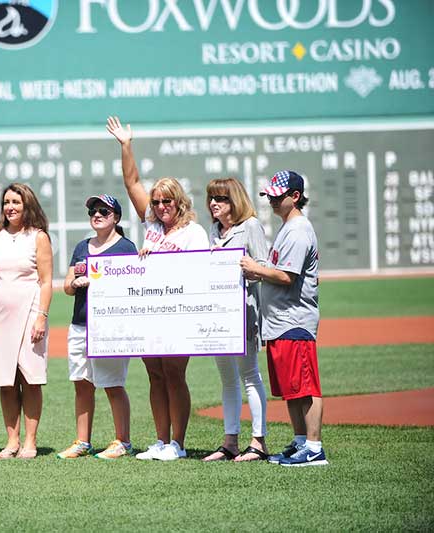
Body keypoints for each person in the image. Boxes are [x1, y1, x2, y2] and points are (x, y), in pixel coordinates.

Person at [107, 116, 209, 461]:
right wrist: (126, 145)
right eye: (158, 202)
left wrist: (164, 261)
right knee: (154, 373)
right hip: (150, 311)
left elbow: (201, 273)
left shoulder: (193, 233)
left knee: (174, 373)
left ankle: (178, 444)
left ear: (179, 202)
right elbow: (132, 180)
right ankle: (161, 440)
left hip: (178, 312)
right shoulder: (151, 224)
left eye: (167, 201)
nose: (161, 207)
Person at [240, 170, 328, 467]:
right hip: (280, 323)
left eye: (279, 195)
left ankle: (314, 448)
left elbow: (287, 276)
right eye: (271, 195)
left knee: (306, 387)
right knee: (292, 389)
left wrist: (255, 268)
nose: (273, 200)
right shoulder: (287, 227)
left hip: (294, 321)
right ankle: (301, 441)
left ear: (295, 196)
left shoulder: (298, 229)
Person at [57, 194, 138, 460]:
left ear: (116, 217)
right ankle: (83, 441)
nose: (97, 214)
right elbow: (68, 286)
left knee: (113, 384)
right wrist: (76, 283)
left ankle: (123, 441)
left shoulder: (126, 247)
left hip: (110, 326)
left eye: (104, 210)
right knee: (81, 383)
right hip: (80, 323)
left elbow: (133, 287)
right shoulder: (82, 246)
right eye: (93, 209)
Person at [0, 183, 52, 459]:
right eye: (7, 202)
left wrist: (41, 318)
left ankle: (30, 442)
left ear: (27, 205)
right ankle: (12, 442)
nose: (11, 207)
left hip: (31, 314)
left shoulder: (38, 237)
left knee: (30, 379)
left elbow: (45, 282)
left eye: (16, 202)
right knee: (6, 381)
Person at [203, 178, 270, 462]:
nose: (214, 203)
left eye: (222, 198)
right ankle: (230, 441)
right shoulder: (212, 230)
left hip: (244, 311)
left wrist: (248, 269)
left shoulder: (250, 225)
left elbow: (265, 266)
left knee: (250, 375)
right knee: (227, 380)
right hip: (218, 314)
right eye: (212, 198)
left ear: (235, 201)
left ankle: (258, 441)